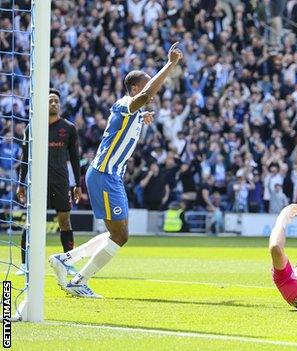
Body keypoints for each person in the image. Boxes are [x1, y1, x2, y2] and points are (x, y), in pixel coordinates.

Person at [47, 42, 184, 298]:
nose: (150, 91)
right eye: (146, 84)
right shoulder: (124, 104)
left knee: (117, 234)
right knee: (120, 235)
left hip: (110, 176)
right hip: (104, 175)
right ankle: (78, 279)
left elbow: (132, 115)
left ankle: (66, 259)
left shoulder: (134, 112)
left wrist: (141, 119)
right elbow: (144, 98)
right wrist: (170, 64)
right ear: (134, 88)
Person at [17, 88, 81, 276]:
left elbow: (75, 158)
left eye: (56, 101)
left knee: (65, 221)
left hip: (61, 181)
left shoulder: (68, 128)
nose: (53, 104)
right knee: (30, 222)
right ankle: (24, 264)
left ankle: (68, 263)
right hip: (37, 181)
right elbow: (24, 157)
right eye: (50, 101)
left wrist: (77, 183)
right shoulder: (33, 127)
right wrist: (21, 183)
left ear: (59, 105)